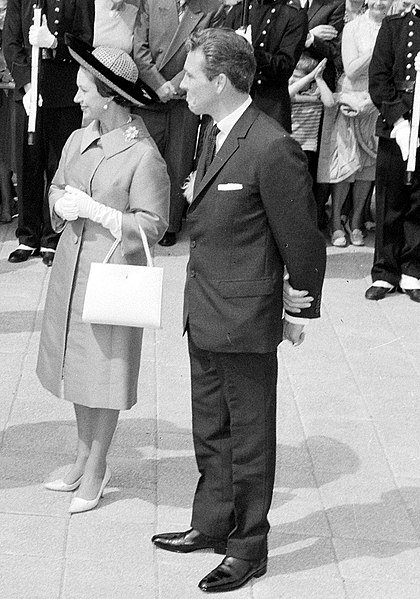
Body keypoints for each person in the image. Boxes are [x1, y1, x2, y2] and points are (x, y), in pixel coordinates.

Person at [151, 28, 326, 593]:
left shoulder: (270, 144)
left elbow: (302, 239)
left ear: (220, 82)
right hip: (203, 310)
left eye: (192, 76)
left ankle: (249, 547)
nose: (183, 85)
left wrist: (299, 308)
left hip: (245, 319)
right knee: (211, 430)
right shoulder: (215, 129)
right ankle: (211, 524)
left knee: (248, 439)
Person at [36, 36, 170, 513]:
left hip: (113, 277)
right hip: (72, 271)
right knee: (78, 368)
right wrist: (59, 203)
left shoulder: (143, 155)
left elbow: (155, 225)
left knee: (105, 374)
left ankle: (97, 466)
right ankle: (80, 457)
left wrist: (103, 213)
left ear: (110, 96)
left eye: (84, 91)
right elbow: (56, 185)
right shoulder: (77, 138)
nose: (77, 99)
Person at [3, 0, 95, 266]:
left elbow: (84, 43)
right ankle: (27, 235)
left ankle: (53, 237)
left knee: (59, 167)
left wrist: (54, 44)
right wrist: (27, 86)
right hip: (29, 95)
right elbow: (11, 43)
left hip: (63, 94)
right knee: (28, 164)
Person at [132, 0, 225, 247]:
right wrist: (158, 84)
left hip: (184, 97)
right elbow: (139, 49)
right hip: (148, 95)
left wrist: (173, 85)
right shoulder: (151, 2)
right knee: (145, 159)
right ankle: (141, 217)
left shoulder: (212, 7)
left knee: (178, 160)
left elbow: (208, 53)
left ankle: (170, 224)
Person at [318, 0, 392, 247]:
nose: (381, 2)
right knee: (345, 165)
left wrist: (375, 98)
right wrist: (379, 46)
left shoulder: (394, 27)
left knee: (367, 168)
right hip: (350, 99)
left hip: (375, 101)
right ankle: (337, 224)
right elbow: (350, 70)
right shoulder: (353, 28)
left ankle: (357, 220)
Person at [365, 4, 420, 302]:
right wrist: (398, 121)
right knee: (389, 199)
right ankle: (385, 271)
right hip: (395, 124)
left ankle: (413, 269)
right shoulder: (394, 26)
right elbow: (379, 76)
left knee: (418, 201)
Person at [225, 0, 308, 133]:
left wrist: (251, 52)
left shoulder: (293, 16)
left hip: (268, 106)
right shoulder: (238, 11)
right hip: (233, 102)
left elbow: (285, 67)